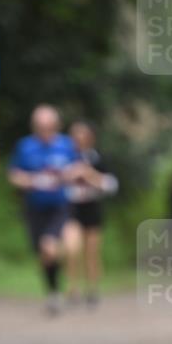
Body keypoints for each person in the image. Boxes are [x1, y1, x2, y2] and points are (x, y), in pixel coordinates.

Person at [8, 105, 77, 314]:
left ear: (56, 126)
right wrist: (31, 180)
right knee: (43, 254)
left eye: (49, 126)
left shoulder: (66, 145)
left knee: (49, 246)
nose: (45, 129)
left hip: (59, 206)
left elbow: (78, 168)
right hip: (34, 208)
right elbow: (14, 175)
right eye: (40, 126)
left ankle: (58, 287)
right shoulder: (25, 146)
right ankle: (53, 291)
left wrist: (67, 175)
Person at [64, 121, 118, 306]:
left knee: (92, 252)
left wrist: (89, 175)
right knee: (72, 249)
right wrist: (70, 174)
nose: (79, 140)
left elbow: (111, 185)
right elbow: (55, 180)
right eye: (75, 136)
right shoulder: (65, 158)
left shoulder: (97, 159)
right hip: (72, 208)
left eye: (83, 136)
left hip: (93, 209)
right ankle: (72, 289)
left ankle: (92, 289)